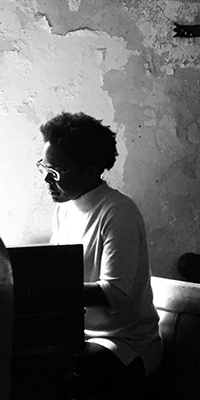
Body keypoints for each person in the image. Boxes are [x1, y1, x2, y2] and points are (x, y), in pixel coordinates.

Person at [37, 112, 163, 399]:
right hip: (78, 334)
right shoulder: (64, 209)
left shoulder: (117, 212)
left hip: (123, 342)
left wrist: (50, 293)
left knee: (61, 369)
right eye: (45, 166)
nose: (47, 178)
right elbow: (59, 271)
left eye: (57, 171)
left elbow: (115, 293)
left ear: (90, 169)